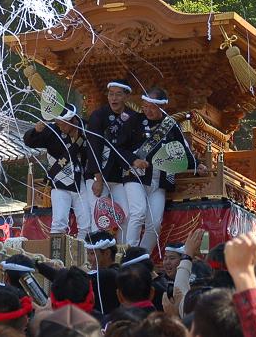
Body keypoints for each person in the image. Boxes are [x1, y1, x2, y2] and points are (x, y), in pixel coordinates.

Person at [117, 87, 196, 252]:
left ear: (162, 107)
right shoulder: (134, 121)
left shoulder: (170, 125)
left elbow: (183, 149)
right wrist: (134, 160)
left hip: (160, 180)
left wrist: (196, 164)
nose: (147, 110)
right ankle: (129, 252)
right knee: (138, 213)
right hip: (136, 177)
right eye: (145, 106)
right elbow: (118, 148)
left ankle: (142, 255)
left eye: (152, 107)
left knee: (155, 222)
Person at [23, 103, 91, 239]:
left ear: (73, 121)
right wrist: (36, 130)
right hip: (58, 182)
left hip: (80, 181)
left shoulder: (85, 129)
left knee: (86, 224)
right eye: (58, 123)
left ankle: (83, 254)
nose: (60, 127)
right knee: (59, 222)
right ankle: (57, 257)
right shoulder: (52, 130)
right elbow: (29, 141)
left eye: (63, 124)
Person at [84, 80, 135, 240]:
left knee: (125, 215)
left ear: (126, 97)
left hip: (119, 177)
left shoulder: (132, 117)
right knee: (99, 217)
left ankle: (120, 253)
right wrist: (97, 179)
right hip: (97, 174)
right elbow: (93, 147)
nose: (114, 98)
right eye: (111, 94)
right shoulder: (98, 116)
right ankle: (94, 257)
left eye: (118, 94)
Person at [83, 231, 119, 315]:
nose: (88, 258)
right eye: (87, 254)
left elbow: (71, 279)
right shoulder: (116, 271)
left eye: (92, 254)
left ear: (107, 253)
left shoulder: (107, 275)